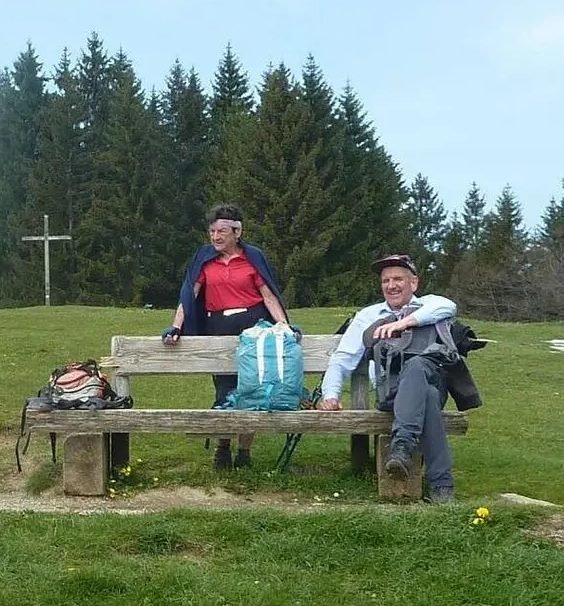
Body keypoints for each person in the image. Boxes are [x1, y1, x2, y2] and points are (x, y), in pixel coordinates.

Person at [316, 254, 460, 503]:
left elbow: (449, 306)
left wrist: (403, 323)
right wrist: (330, 394)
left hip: (430, 379)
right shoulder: (368, 316)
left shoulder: (430, 305)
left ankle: (402, 446)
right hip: (392, 395)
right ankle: (441, 485)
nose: (391, 285)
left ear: (413, 283)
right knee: (427, 396)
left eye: (398, 279)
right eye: (385, 281)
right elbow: (342, 359)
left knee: (419, 371)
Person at [161, 205, 290, 471]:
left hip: (254, 326)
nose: (215, 237)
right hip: (218, 324)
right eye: (212, 231)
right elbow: (190, 294)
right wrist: (175, 327)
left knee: (252, 390)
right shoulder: (204, 259)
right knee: (225, 390)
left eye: (221, 231)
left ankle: (244, 451)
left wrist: (284, 326)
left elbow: (268, 295)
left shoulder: (253, 257)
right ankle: (223, 448)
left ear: (237, 231)